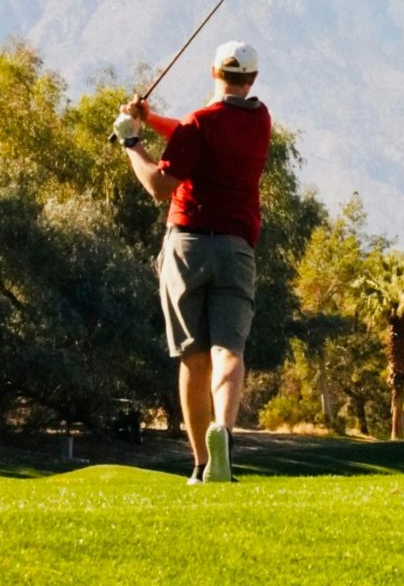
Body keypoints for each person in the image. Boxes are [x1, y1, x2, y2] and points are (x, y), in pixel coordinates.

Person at [115, 40, 272, 484]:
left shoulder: (198, 125)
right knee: (228, 350)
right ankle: (224, 430)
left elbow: (159, 186)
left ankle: (202, 462)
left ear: (212, 72)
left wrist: (131, 140)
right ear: (253, 80)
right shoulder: (260, 119)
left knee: (193, 355)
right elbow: (191, 133)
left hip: (187, 245)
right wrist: (151, 119)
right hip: (237, 248)